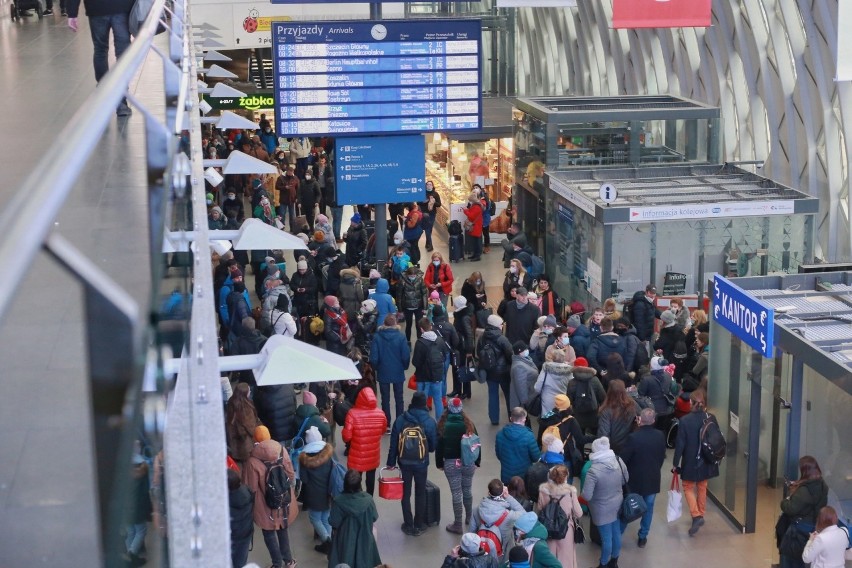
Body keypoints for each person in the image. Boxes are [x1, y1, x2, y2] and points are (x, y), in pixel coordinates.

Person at [67, 0, 133, 116]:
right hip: (122, 7)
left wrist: (72, 13)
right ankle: (121, 102)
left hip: (96, 9)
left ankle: (103, 95)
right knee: (123, 55)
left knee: (100, 50)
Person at [243, 426, 297, 568]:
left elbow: (251, 488)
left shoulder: (252, 461)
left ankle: (277, 563)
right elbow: (291, 473)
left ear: (255, 439)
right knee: (283, 528)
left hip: (264, 504)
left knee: (269, 533)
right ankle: (289, 560)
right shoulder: (281, 450)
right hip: (284, 499)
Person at [387, 391, 438, 536]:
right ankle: (419, 524)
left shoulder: (401, 419)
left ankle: (408, 524)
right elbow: (433, 445)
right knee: (420, 492)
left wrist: (391, 462)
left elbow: (394, 444)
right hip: (421, 463)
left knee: (406, 493)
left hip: (404, 462)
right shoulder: (429, 421)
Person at [672, 389, 720, 538]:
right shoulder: (711, 417)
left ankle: (696, 515)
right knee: (702, 485)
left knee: (687, 486)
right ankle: (701, 513)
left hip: (691, 459)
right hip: (706, 459)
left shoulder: (685, 421)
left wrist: (675, 463)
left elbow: (680, 444)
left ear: (691, 403)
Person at [619, 408, 666, 548]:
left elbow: (623, 459)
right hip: (653, 478)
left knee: (629, 506)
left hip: (635, 480)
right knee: (648, 508)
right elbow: (661, 456)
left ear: (640, 420)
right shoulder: (660, 435)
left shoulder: (633, 438)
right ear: (653, 421)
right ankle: (643, 536)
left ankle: (619, 532)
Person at [437, 397, 481, 533]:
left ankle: (457, 524)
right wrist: (477, 461)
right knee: (467, 490)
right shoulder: (469, 424)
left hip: (451, 464)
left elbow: (439, 448)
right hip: (468, 463)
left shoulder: (443, 426)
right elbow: (477, 444)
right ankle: (469, 518)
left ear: (448, 408)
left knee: (456, 492)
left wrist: (439, 463)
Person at [582, 437, 627, 568]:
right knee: (616, 533)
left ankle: (603, 564)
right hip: (618, 503)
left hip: (601, 509)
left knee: (606, 539)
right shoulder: (619, 461)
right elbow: (625, 479)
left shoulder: (593, 471)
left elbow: (587, 495)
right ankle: (614, 561)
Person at [777, 456, 829, 568]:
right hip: (813, 527)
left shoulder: (804, 491)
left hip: (798, 530)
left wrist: (785, 500)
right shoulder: (822, 485)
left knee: (788, 559)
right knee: (803, 559)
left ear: (805, 471)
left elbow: (790, 508)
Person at [328, 469, 383, 568]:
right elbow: (374, 517)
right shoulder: (368, 499)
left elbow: (334, 522)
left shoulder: (338, 501)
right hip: (365, 537)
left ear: (345, 483)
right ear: (359, 483)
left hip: (345, 540)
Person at [295, 426, 335, 554]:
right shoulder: (328, 454)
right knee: (326, 517)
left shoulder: (304, 458)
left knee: (315, 518)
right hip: (328, 491)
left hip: (313, 494)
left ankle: (327, 541)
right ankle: (327, 541)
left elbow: (304, 479)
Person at [342, 387, 387, 496]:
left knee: (355, 479)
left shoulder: (352, 414)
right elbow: (383, 431)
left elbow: (346, 437)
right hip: (373, 454)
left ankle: (357, 499)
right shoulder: (381, 414)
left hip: (357, 456)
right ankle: (369, 498)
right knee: (370, 478)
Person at [468, 479, 526, 561]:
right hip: (501, 556)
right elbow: (523, 513)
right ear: (503, 493)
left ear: (488, 492)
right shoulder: (508, 515)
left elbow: (471, 534)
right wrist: (508, 497)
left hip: (481, 554)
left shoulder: (476, 510)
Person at [536, 464, 583, 567]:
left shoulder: (543, 490)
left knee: (551, 558)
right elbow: (579, 513)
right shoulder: (570, 492)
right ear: (566, 477)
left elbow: (539, 509)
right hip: (566, 529)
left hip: (548, 528)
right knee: (566, 559)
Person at [370, 314, 411, 427]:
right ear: (395, 324)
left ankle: (386, 424)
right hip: (398, 371)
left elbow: (373, 358)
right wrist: (404, 366)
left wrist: (377, 368)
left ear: (384, 324)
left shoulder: (377, 337)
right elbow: (405, 356)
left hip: (383, 371)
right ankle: (399, 423)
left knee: (385, 399)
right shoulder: (401, 337)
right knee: (399, 398)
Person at [477, 314, 514, 424]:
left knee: (493, 394)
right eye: (501, 324)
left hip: (489, 371)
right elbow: (510, 353)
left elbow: (479, 352)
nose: (502, 326)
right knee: (508, 395)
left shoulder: (482, 336)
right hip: (503, 372)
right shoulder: (502, 338)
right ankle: (511, 417)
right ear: (497, 325)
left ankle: (494, 419)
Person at [412, 317, 449, 419]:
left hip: (423, 377)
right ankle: (439, 423)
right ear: (431, 327)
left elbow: (415, 362)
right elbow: (444, 356)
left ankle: (422, 421)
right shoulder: (440, 340)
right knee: (438, 399)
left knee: (421, 401)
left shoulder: (420, 343)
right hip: (437, 375)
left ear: (421, 329)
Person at [494, 407, 540, 484]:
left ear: (511, 418)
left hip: (507, 476)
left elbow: (499, 455)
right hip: (524, 476)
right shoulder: (528, 436)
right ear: (524, 419)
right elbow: (536, 457)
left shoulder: (500, 434)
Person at [597, 379, 641, 455]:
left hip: (613, 447)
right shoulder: (632, 404)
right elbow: (640, 417)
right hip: (630, 443)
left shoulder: (606, 410)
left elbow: (603, 434)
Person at [225, 383, 261, 468]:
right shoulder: (246, 408)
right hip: (245, 443)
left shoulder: (231, 402)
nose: (250, 391)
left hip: (233, 440)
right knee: (247, 464)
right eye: (249, 390)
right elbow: (251, 427)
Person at [564, 359, 604, 435]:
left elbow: (569, 401)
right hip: (594, 414)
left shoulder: (572, 383)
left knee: (580, 437)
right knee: (596, 436)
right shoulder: (595, 380)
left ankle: (580, 447)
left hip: (578, 415)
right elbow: (602, 397)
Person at [638, 356, 677, 430]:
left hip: (652, 409)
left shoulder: (646, 379)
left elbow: (640, 395)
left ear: (651, 365)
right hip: (667, 407)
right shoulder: (668, 375)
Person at [533, 348, 573, 417]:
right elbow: (572, 386)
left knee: (548, 421)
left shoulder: (546, 368)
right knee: (561, 422)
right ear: (563, 358)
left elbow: (537, 387)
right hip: (563, 401)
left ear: (553, 358)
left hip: (547, 402)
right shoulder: (569, 371)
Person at [228, 468, 254, 568]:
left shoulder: (226, 502)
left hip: (233, 536)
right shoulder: (247, 491)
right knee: (240, 563)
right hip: (246, 533)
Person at [452, 295, 476, 400]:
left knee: (464, 368)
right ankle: (457, 390)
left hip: (464, 348)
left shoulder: (464, 317)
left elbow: (469, 334)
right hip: (459, 346)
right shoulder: (460, 314)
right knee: (458, 367)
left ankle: (466, 392)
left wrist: (469, 350)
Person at [398, 265, 428, 341]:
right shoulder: (402, 281)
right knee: (408, 325)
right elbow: (399, 296)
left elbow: (424, 293)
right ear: (407, 275)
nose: (412, 277)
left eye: (414, 275)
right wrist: (400, 310)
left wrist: (425, 307)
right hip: (407, 307)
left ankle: (420, 341)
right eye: (411, 276)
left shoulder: (420, 280)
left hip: (418, 306)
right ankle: (408, 341)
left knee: (419, 325)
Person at [630, 284, 661, 350]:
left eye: (654, 293)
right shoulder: (640, 304)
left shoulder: (649, 302)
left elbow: (656, 312)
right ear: (646, 292)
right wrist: (642, 338)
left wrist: (667, 316)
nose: (653, 295)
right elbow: (639, 322)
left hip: (648, 334)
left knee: (647, 353)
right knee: (643, 354)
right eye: (651, 293)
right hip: (642, 337)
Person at [509, 341, 539, 411]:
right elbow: (520, 386)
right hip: (524, 400)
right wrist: (525, 402)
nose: (527, 350)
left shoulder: (525, 359)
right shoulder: (519, 367)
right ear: (520, 352)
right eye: (525, 349)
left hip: (530, 393)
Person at [421, 180, 442, 253]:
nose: (429, 185)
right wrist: (425, 202)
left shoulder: (435, 194)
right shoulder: (423, 193)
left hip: (432, 213)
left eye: (430, 184)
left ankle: (427, 243)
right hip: (424, 213)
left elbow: (439, 204)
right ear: (425, 185)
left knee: (429, 229)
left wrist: (433, 202)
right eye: (427, 184)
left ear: (433, 186)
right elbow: (418, 202)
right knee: (427, 228)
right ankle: (430, 245)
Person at [463, 191, 484, 261]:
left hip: (476, 226)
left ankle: (477, 256)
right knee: (475, 241)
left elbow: (471, 216)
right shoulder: (477, 206)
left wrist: (465, 211)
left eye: (470, 201)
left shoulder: (476, 207)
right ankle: (475, 254)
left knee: (476, 242)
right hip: (476, 226)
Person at [403, 202, 425, 266]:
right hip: (416, 232)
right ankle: (417, 259)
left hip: (413, 233)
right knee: (415, 246)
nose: (406, 209)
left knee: (413, 247)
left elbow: (411, 225)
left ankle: (415, 261)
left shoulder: (414, 213)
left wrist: (406, 220)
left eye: (407, 207)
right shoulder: (416, 212)